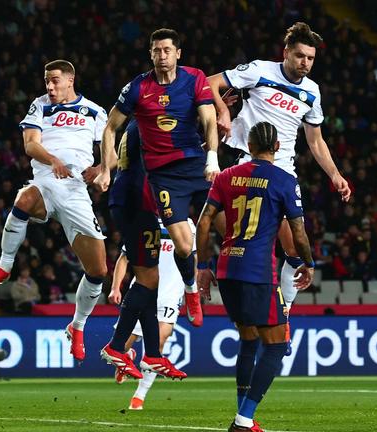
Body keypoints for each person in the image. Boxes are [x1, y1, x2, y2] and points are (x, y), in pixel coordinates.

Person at [207, 22, 351, 348]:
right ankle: (214, 276)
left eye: (310, 58)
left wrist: (335, 175)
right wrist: (222, 112)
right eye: (300, 55)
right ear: (286, 52)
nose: (305, 63)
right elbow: (210, 83)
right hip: (246, 162)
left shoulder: (312, 92)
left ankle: (281, 318)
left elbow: (315, 140)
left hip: (283, 171)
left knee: (295, 252)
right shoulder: (259, 71)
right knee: (225, 228)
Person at [94, 28, 219, 353]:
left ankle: (214, 272)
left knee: (223, 218)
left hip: (195, 163)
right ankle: (191, 288)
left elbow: (208, 119)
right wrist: (106, 168)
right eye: (156, 50)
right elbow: (110, 126)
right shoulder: (137, 88)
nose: (162, 55)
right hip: (163, 174)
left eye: (167, 50)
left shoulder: (194, 79)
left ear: (178, 52)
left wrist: (213, 156)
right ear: (151, 54)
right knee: (182, 241)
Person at [0, 59, 108, 363]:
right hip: (47, 181)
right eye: (47, 81)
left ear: (71, 79)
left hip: (76, 191)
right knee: (24, 199)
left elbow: (112, 150)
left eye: (55, 81)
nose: (49, 87)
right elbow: (30, 145)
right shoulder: (40, 106)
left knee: (99, 271)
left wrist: (102, 168)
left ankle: (77, 327)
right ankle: (4, 267)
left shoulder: (94, 111)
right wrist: (53, 161)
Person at [195, 122, 314, 432]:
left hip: (227, 270)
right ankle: (244, 420)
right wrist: (309, 262)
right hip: (258, 273)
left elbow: (204, 221)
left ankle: (244, 416)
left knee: (249, 340)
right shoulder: (285, 180)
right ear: (276, 146)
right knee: (276, 345)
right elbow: (298, 232)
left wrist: (202, 265)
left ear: (248, 145)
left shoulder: (225, 177)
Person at [96, 119, 194, 382]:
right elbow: (173, 158)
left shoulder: (135, 123)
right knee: (149, 279)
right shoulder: (153, 122)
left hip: (133, 199)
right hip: (137, 200)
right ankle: (116, 347)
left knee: (149, 280)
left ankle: (152, 353)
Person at [108, 219, 200, 409]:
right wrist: (115, 288)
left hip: (171, 294)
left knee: (157, 344)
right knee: (121, 347)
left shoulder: (187, 224)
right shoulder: (144, 220)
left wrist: (193, 290)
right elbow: (124, 257)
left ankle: (139, 397)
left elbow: (193, 260)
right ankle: (128, 354)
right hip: (144, 289)